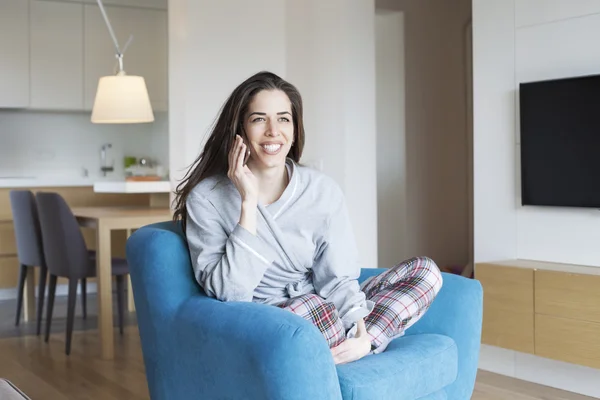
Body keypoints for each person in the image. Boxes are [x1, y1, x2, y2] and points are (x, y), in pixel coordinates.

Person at [173, 71, 443, 365]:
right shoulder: (207, 198)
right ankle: (336, 349)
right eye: (259, 119)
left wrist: (363, 332)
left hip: (324, 307)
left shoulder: (322, 190)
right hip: (267, 319)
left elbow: (337, 278)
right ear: (240, 130)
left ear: (295, 129)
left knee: (425, 271)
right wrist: (248, 204)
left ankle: (355, 349)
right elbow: (229, 292)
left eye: (283, 119)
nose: (273, 131)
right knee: (313, 308)